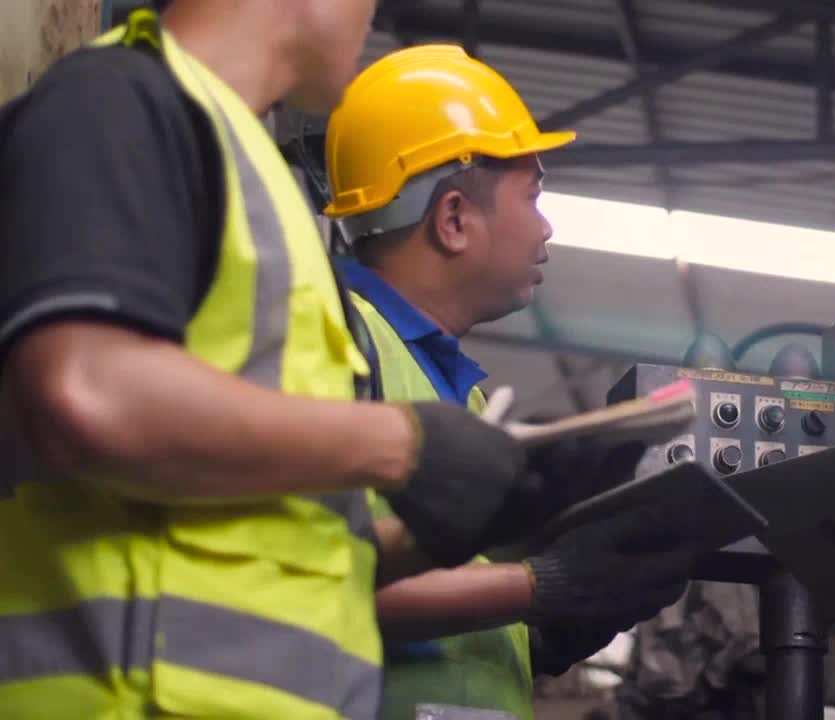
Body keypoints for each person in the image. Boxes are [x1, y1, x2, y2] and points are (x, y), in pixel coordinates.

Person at [0, 4, 620, 718]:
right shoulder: (120, 100)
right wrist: (407, 447)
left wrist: (474, 523)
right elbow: (85, 392)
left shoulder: (269, 208)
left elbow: (312, 547)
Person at [323, 45, 698, 720]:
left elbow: (457, 603)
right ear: (455, 219)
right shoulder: (340, 345)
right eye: (533, 195)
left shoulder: (463, 399)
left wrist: (557, 625)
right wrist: (542, 586)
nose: (547, 226)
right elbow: (315, 578)